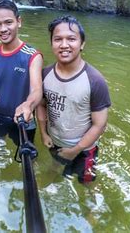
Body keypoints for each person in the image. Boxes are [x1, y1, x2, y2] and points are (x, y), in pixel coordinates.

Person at [36, 15, 111, 184]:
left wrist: (75, 150)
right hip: (54, 141)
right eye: (58, 39)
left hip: (84, 148)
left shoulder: (94, 81)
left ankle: (91, 209)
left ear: (82, 43)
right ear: (51, 43)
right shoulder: (45, 74)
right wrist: (43, 133)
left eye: (71, 39)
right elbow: (40, 105)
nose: (64, 45)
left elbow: (100, 124)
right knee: (54, 167)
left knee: (87, 184)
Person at [0, 0, 43, 147]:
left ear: (18, 22)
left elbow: (37, 90)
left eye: (8, 22)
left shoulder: (32, 56)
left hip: (22, 119)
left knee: (26, 156)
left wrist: (28, 105)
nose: (3, 29)